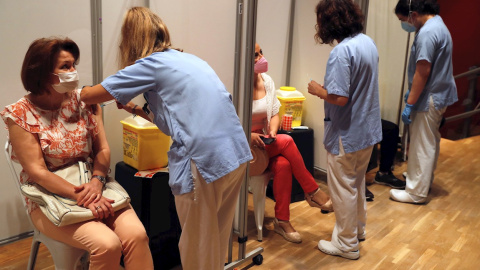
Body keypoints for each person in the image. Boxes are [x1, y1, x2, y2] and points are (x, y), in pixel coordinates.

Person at [80, 7, 252, 270]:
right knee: (215, 239)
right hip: (234, 155)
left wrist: (74, 89)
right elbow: (176, 118)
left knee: (196, 246)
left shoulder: (151, 64)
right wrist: (137, 109)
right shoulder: (190, 60)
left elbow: (93, 95)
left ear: (131, 39)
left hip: (204, 162)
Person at [1, 37, 154, 270]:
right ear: (42, 71)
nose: (73, 72)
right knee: (107, 245)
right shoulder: (20, 114)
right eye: (65, 66)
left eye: (74, 65)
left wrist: (97, 181)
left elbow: (102, 148)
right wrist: (82, 196)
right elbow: (38, 173)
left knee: (137, 236)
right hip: (48, 197)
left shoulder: (85, 100)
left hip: (93, 183)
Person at [307, 0, 382, 260]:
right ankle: (357, 230)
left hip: (347, 133)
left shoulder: (341, 53)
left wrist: (318, 90)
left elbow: (339, 97)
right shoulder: (367, 43)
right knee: (356, 182)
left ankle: (347, 244)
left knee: (342, 188)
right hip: (367, 130)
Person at [252, 43, 333, 243]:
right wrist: (249, 135)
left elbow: (274, 113)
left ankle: (282, 220)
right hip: (243, 149)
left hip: (265, 144)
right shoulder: (236, 84)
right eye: (255, 55)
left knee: (284, 165)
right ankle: (313, 191)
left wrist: (272, 129)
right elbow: (228, 124)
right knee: (287, 140)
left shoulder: (267, 81)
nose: (261, 57)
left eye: (261, 52)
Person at [391, 0, 457, 204]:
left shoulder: (428, 32)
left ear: (414, 14)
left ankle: (416, 192)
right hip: (437, 94)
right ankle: (420, 179)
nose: (405, 25)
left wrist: (410, 102)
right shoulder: (439, 24)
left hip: (429, 97)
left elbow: (423, 70)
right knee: (430, 141)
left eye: (404, 20)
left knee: (422, 143)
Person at [365, 119, 405, 201]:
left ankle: (384, 173)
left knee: (391, 129)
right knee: (360, 133)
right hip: (348, 119)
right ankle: (356, 183)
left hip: (365, 117)